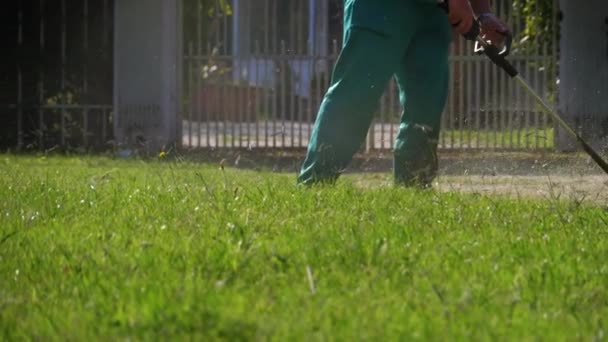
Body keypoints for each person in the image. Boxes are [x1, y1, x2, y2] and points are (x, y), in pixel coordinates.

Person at [297, 0, 511, 187]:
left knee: (427, 103)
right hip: (380, 7)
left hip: (434, 12)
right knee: (356, 93)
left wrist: (483, 13)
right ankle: (315, 182)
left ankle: (414, 186)